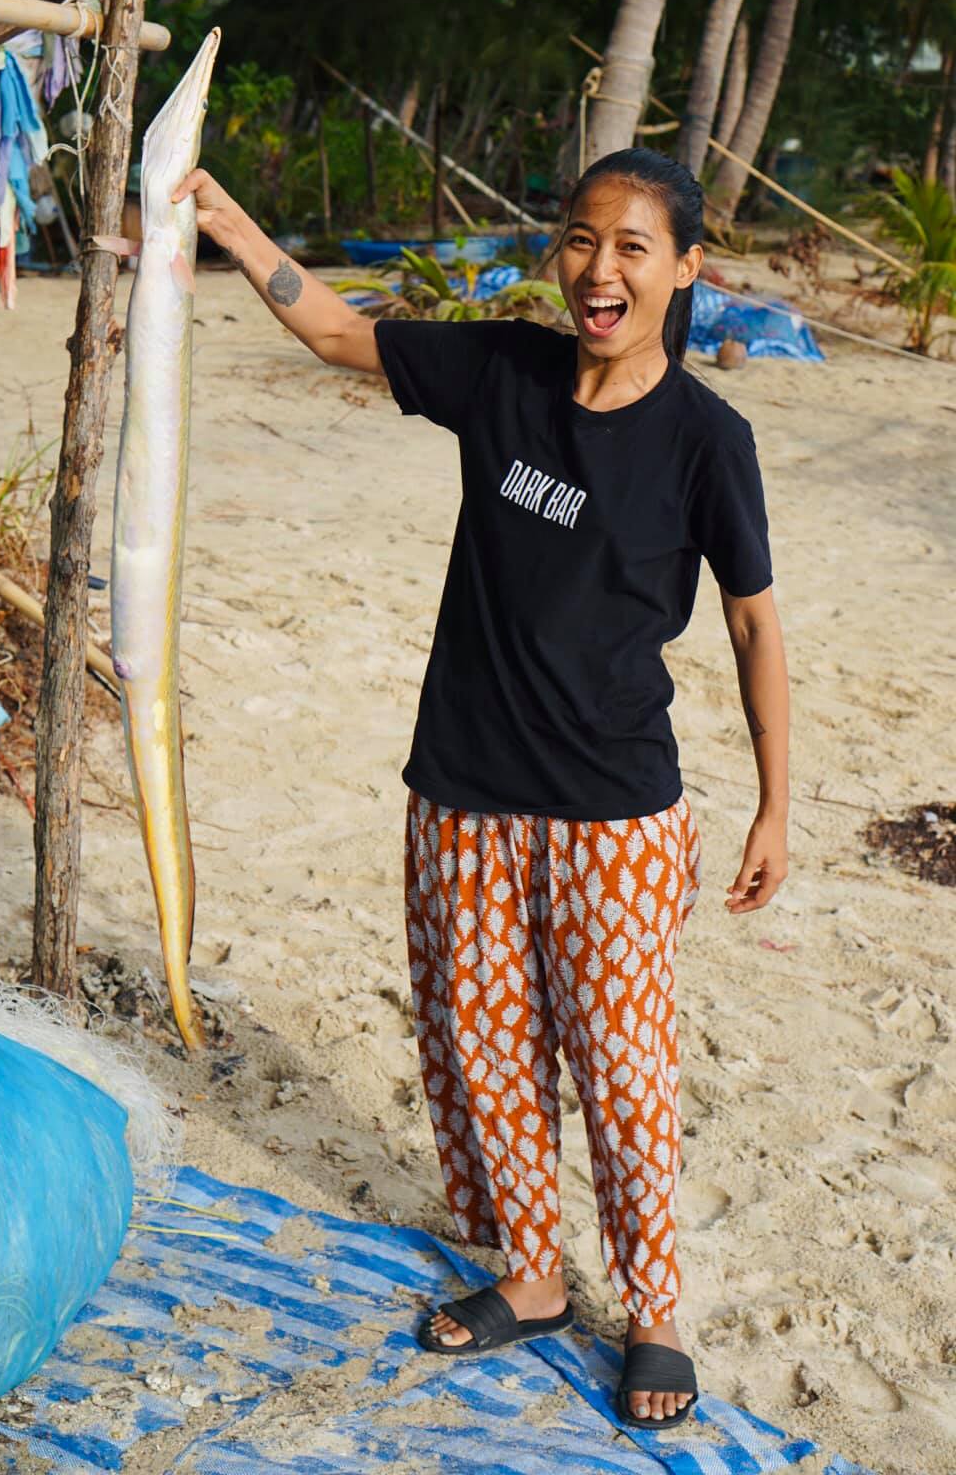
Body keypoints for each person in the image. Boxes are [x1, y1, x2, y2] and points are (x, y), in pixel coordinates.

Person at [170, 146, 790, 1430]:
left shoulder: (704, 441)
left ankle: (657, 1312)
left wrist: (779, 802)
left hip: (615, 812)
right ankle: (534, 1274)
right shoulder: (504, 371)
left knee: (621, 1070)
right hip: (462, 787)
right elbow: (342, 334)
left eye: (631, 246)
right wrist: (221, 213)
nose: (599, 268)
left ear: (686, 271)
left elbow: (750, 626)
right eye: (579, 239)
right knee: (484, 1051)